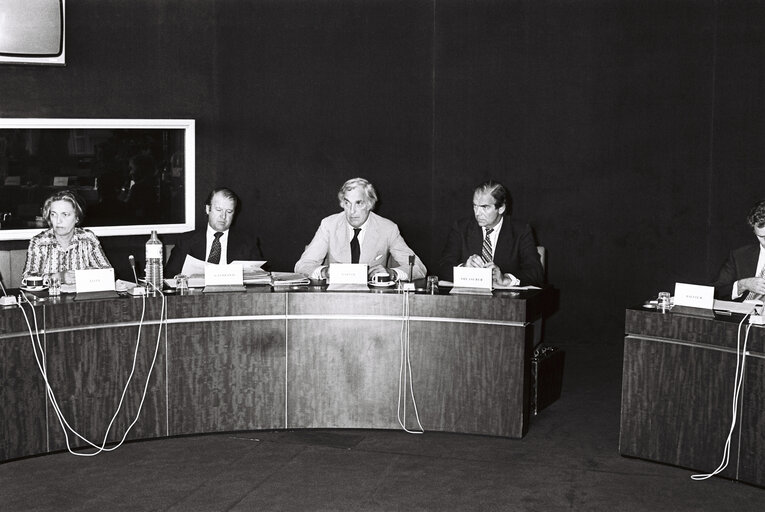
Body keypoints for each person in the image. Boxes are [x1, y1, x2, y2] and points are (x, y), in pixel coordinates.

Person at [295, 177, 426, 281]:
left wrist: (392, 273)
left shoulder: (388, 228)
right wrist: (324, 271)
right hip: (334, 298)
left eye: (359, 203)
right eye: (347, 203)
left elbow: (418, 268)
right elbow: (302, 265)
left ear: (370, 204)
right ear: (342, 204)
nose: (352, 211)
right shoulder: (329, 225)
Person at [437, 180, 544, 287]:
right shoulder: (461, 228)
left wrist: (505, 278)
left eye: (484, 207)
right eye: (475, 206)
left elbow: (535, 273)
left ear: (501, 208)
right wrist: (464, 269)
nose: (477, 213)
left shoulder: (520, 231)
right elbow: (442, 267)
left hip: (506, 301)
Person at [165, 187, 264, 277]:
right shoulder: (185, 241)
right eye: (218, 210)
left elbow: (261, 277)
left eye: (229, 211)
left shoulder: (247, 242)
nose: (223, 216)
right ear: (208, 209)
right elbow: (169, 276)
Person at [22, 190, 112, 284]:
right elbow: (27, 278)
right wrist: (58, 277)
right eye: (53, 214)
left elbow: (107, 272)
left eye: (65, 214)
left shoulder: (88, 238)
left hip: (81, 298)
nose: (58, 221)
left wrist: (83, 275)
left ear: (77, 217)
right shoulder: (40, 241)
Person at [711, 199, 765, 300]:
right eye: (762, 237)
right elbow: (716, 291)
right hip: (741, 314)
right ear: (754, 232)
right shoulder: (739, 256)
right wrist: (742, 285)